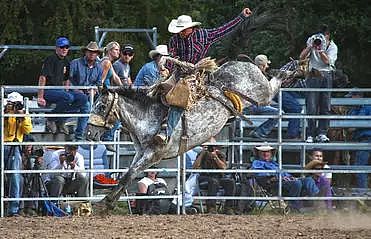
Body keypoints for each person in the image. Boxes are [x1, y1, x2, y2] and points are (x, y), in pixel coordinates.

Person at [154, 7, 253, 144]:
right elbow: (172, 58)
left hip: (198, 75)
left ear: (191, 28)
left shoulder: (203, 35)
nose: (181, 33)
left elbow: (223, 30)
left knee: (180, 98)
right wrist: (166, 70)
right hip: (179, 73)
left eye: (183, 29)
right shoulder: (174, 40)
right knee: (160, 91)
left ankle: (167, 132)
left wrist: (241, 17)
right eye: (180, 30)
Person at [251, 144, 319, 212]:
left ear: (271, 153)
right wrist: (280, 178)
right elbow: (262, 176)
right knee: (296, 183)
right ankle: (293, 208)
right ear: (258, 153)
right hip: (274, 186)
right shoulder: (257, 163)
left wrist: (290, 178)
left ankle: (318, 201)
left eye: (268, 151)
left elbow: (286, 174)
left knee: (308, 180)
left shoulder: (274, 164)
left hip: (286, 183)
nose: (266, 153)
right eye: (263, 152)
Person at [300, 24, 338, 143]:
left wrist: (320, 50)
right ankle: (310, 134)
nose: (319, 40)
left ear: (328, 36)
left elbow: (327, 62)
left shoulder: (332, 46)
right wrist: (310, 47)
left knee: (325, 106)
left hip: (326, 75)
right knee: (311, 106)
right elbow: (301, 57)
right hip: (313, 74)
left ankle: (322, 133)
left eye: (323, 37)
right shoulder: (312, 40)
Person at [3, 92, 33, 216]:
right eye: (13, 104)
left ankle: (13, 209)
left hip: (15, 145)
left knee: (15, 176)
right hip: (2, 143)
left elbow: (28, 130)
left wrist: (22, 116)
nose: (15, 106)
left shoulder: (23, 114)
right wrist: (6, 112)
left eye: (17, 104)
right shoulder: (4, 112)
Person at [37, 36, 71, 135]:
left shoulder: (67, 61)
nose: (64, 49)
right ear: (56, 48)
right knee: (67, 98)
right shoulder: (50, 59)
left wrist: (66, 91)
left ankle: (61, 121)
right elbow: (43, 77)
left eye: (66, 47)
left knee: (81, 99)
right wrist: (40, 96)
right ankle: (51, 119)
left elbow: (66, 79)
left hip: (60, 91)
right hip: (48, 90)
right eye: (62, 47)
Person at [69, 41, 103, 141]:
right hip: (74, 93)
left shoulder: (99, 68)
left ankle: (98, 135)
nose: (92, 54)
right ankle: (79, 136)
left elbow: (99, 83)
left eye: (94, 52)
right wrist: (76, 89)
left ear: (97, 54)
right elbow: (67, 80)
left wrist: (95, 89)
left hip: (91, 95)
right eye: (90, 51)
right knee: (87, 106)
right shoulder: (75, 63)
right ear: (85, 52)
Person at [193, 142, 236, 214]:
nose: (212, 148)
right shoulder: (201, 154)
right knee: (213, 181)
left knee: (230, 182)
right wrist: (202, 154)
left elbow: (224, 167)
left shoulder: (220, 155)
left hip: (219, 177)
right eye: (209, 147)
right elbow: (195, 167)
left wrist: (215, 157)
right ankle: (211, 207)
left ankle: (228, 207)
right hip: (205, 176)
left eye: (213, 146)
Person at [100, 42, 122, 151]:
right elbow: (101, 81)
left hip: (108, 92)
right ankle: (107, 138)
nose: (118, 52)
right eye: (116, 50)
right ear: (110, 51)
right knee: (117, 116)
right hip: (105, 94)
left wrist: (124, 88)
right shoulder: (106, 62)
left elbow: (115, 77)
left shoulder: (109, 62)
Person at [347, 90, 371, 189]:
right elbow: (349, 126)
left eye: (351, 96)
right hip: (359, 140)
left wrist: (355, 126)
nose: (350, 99)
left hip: (366, 139)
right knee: (358, 165)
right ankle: (362, 192)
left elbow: (353, 126)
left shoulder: (368, 107)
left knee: (359, 166)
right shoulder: (354, 109)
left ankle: (362, 194)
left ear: (358, 96)